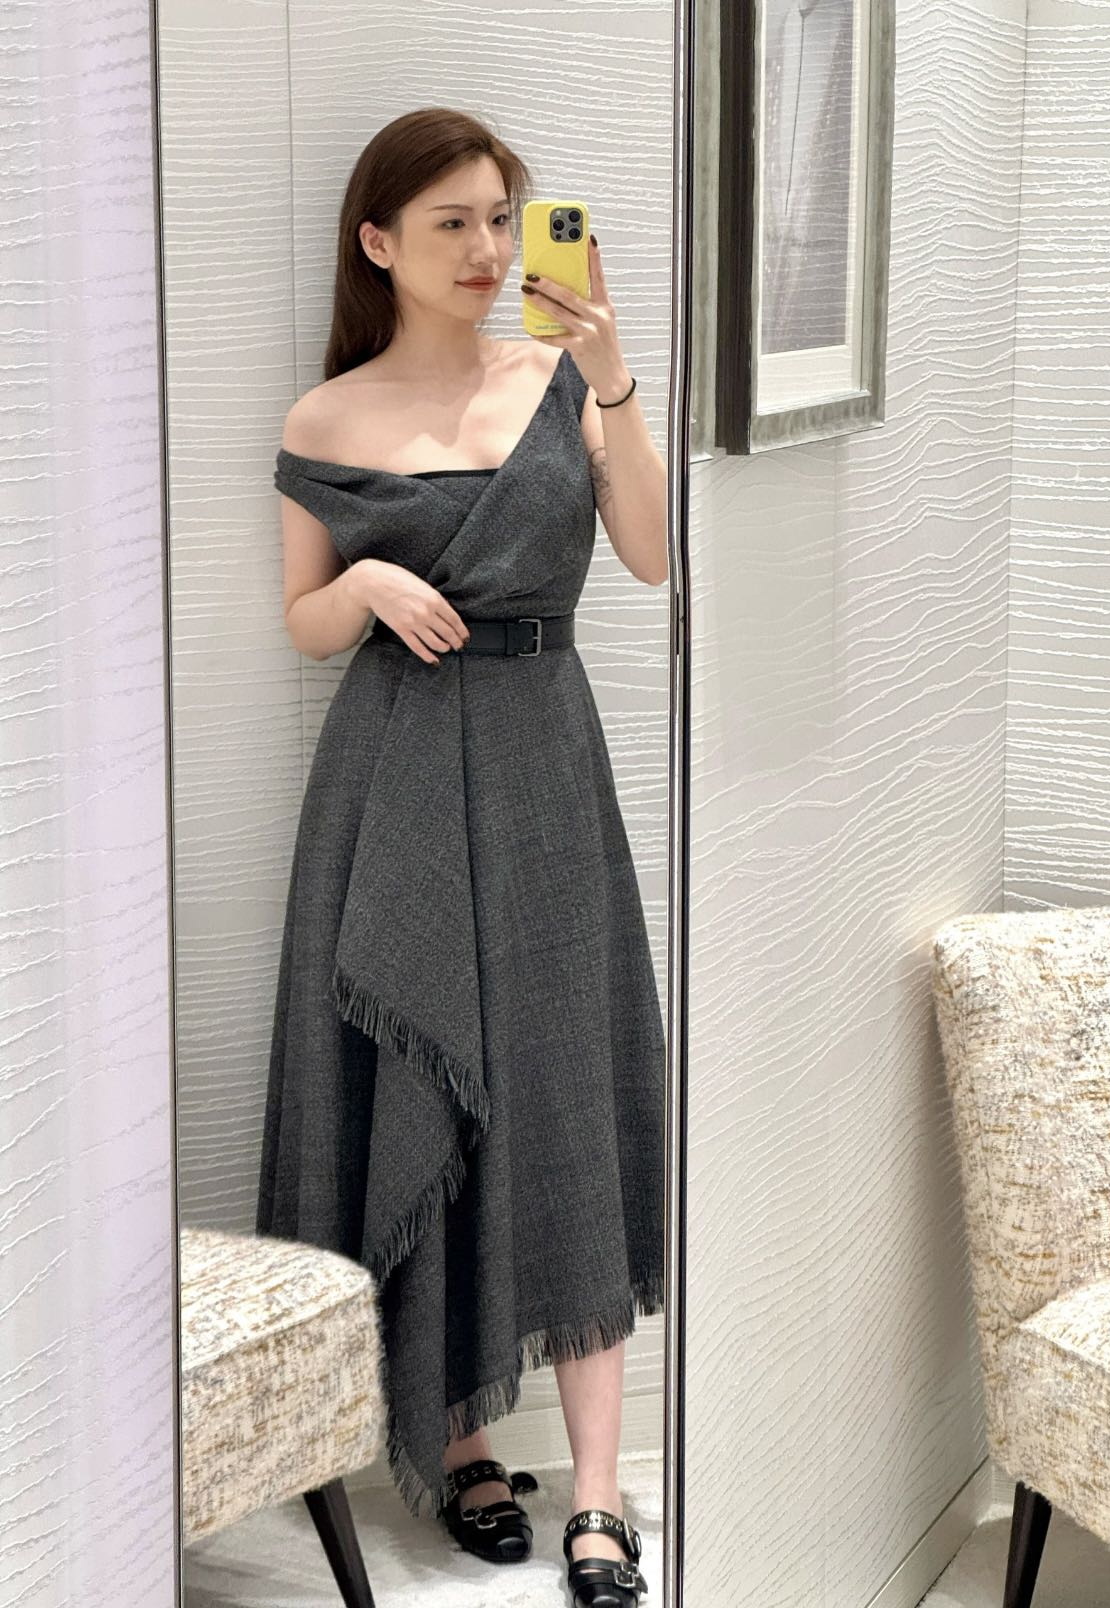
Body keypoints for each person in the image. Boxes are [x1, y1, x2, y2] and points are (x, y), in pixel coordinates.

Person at [255, 107, 668, 1608]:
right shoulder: (327, 417)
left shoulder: (562, 381)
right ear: (378, 242)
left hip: (546, 757)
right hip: (393, 774)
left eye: (503, 217)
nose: (489, 250)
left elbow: (650, 556)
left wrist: (614, 375)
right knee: (418, 1082)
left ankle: (599, 1495)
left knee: (563, 1098)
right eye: (452, 224)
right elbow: (303, 623)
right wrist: (365, 577)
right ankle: (462, 1443)